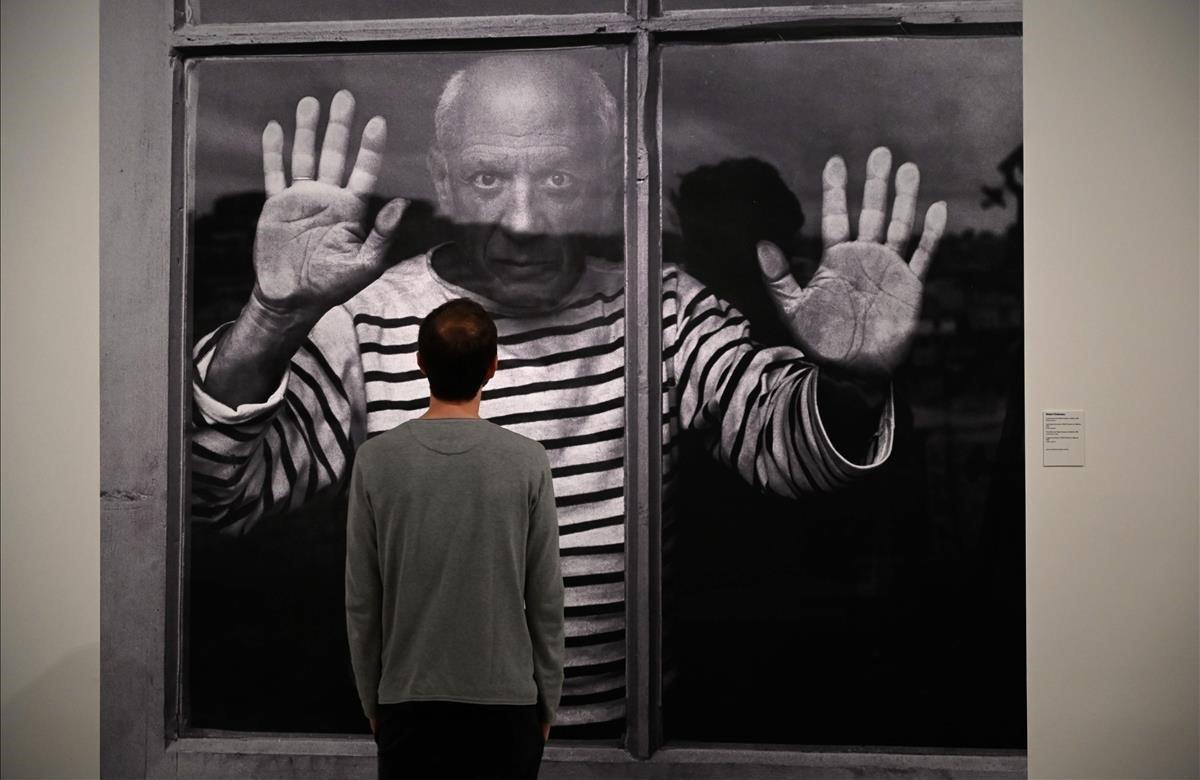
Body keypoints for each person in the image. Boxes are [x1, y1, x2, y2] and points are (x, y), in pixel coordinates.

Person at [191, 52, 947, 734]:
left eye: (557, 180)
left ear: (605, 182)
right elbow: (216, 496)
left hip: (627, 740)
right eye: (488, 178)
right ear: (443, 178)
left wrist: (853, 379)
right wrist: (271, 318)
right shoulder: (367, 322)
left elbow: (789, 448)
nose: (521, 221)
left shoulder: (666, 311)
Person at [345, 298, 563, 778]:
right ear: (493, 367)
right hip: (507, 706)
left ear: (420, 362)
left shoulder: (376, 460)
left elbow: (363, 601)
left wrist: (374, 703)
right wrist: (547, 704)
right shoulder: (527, 461)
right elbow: (545, 599)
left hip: (408, 702)